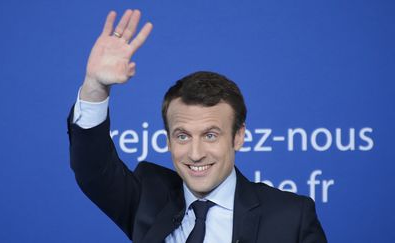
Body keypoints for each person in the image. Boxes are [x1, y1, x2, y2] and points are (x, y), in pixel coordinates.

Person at [67, 9, 327, 243]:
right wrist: (95, 86)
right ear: (168, 140)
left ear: (238, 137)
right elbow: (93, 169)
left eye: (210, 135)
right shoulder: (148, 199)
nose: (195, 153)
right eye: (182, 136)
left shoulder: (291, 217)